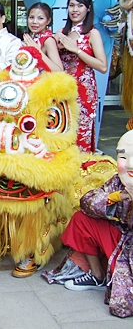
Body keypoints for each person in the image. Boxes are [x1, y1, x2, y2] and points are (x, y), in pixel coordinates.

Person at [60, 130, 133, 318]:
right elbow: (87, 202)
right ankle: (97, 275)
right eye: (124, 157)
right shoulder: (118, 181)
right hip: (122, 239)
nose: (130, 164)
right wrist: (115, 197)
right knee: (82, 219)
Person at [55, 0, 107, 153]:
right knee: (61, 133)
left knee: (81, 137)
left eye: (80, 5)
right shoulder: (62, 33)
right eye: (71, 5)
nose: (75, 10)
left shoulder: (92, 33)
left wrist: (77, 50)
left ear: (88, 8)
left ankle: (83, 174)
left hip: (83, 93)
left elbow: (103, 66)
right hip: (62, 92)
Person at [22, 2, 63, 72]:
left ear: (48, 21)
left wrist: (38, 51)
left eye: (40, 18)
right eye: (31, 17)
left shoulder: (48, 40)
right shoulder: (29, 38)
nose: (34, 21)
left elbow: (59, 70)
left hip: (43, 81)